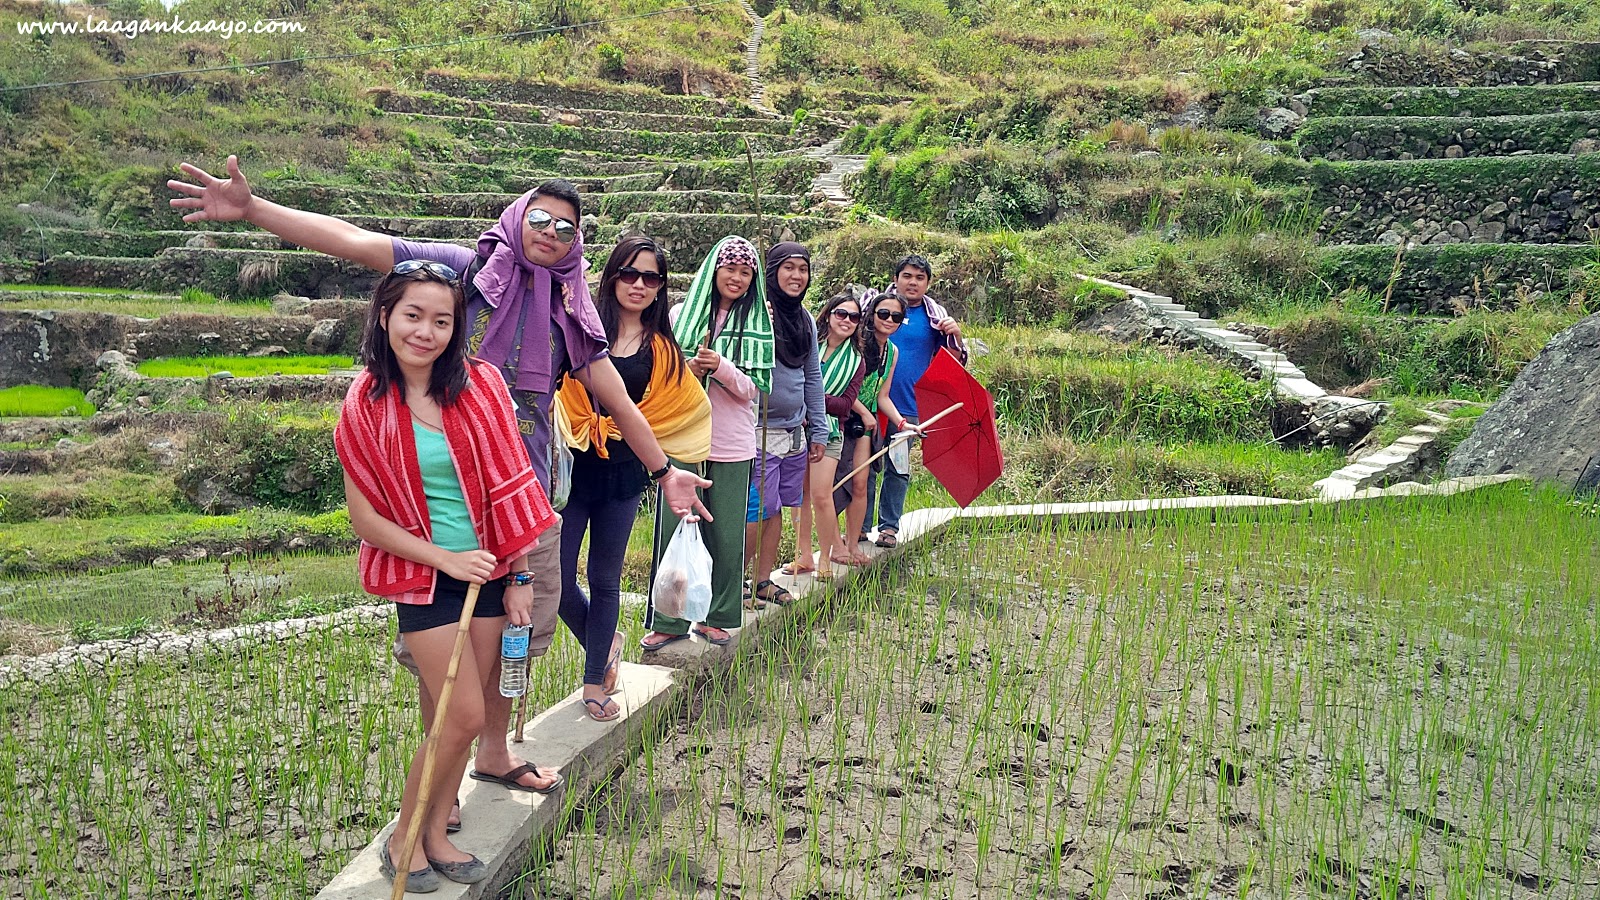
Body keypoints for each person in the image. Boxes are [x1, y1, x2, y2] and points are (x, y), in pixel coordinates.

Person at [169, 158, 711, 797]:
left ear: (577, 243)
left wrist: (665, 469)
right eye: (539, 218)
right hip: (441, 499)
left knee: (518, 635)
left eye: (566, 229)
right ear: (516, 217)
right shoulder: (466, 270)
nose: (550, 234)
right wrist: (256, 209)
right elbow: (356, 241)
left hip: (522, 499)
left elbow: (615, 396)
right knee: (443, 646)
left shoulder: (570, 311)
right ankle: (440, 788)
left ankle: (494, 751)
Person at [333, 260, 558, 891]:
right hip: (424, 579)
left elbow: (514, 482)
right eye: (413, 316)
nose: (425, 332)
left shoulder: (481, 384)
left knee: (452, 715)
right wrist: (444, 558)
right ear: (385, 317)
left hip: (491, 570)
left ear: (456, 327)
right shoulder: (365, 406)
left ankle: (434, 835)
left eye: (441, 320)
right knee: (460, 717)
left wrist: (516, 574)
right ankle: (404, 837)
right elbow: (366, 519)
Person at [552, 236, 710, 719]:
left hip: (622, 474)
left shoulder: (661, 349)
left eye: (651, 278)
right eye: (630, 273)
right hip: (572, 467)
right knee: (553, 578)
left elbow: (677, 408)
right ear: (612, 275)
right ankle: (606, 641)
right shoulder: (579, 330)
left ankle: (595, 679)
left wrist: (665, 469)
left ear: (661, 288)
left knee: (604, 578)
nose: (639, 284)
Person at [641, 236, 769, 651]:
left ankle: (719, 617)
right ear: (714, 271)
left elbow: (754, 389)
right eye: (729, 268)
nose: (736, 277)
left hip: (732, 444)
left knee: (727, 536)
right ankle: (669, 620)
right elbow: (662, 374)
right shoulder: (681, 314)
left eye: (745, 272)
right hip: (684, 440)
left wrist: (723, 367)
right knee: (675, 530)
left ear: (753, 280)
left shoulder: (759, 323)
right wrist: (691, 369)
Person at [745, 242, 826, 607]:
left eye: (803, 269)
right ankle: (731, 584)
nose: (796, 276)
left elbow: (812, 377)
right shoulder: (757, 312)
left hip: (793, 432)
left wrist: (818, 429)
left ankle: (762, 580)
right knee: (755, 511)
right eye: (788, 268)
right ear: (772, 270)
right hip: (756, 431)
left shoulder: (805, 320)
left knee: (776, 509)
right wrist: (758, 323)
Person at [868, 255, 965, 549]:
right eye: (907, 276)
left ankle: (888, 528)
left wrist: (956, 335)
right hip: (871, 403)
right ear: (896, 278)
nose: (913, 282)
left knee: (898, 469)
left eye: (920, 278)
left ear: (928, 283)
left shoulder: (936, 318)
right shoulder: (878, 308)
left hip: (908, 409)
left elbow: (953, 363)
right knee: (865, 468)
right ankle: (859, 527)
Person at [787, 292, 864, 577]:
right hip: (797, 428)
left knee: (821, 495)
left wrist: (813, 397)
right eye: (841, 314)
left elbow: (845, 406)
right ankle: (803, 555)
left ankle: (825, 559)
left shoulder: (856, 361)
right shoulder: (808, 345)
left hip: (830, 432)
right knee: (800, 496)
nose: (847, 320)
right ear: (828, 315)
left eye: (854, 317)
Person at [843, 291, 913, 560]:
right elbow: (841, 386)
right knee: (834, 485)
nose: (889, 320)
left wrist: (903, 423)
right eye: (883, 313)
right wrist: (863, 412)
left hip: (865, 422)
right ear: (871, 314)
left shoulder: (892, 351)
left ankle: (852, 542)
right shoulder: (857, 343)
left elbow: (881, 396)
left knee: (860, 482)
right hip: (844, 416)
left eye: (896, 316)